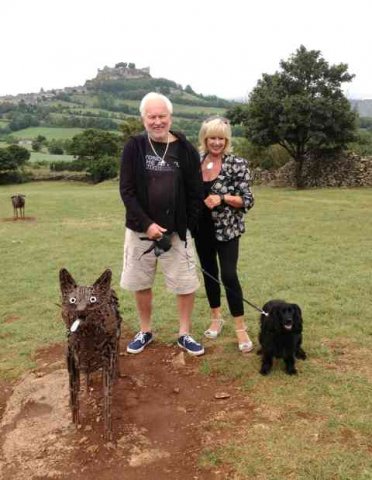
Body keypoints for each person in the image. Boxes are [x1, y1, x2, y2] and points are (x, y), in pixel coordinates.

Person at [119, 92, 205, 356]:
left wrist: (185, 225)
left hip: (176, 232)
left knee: (185, 283)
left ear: (170, 117)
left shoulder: (185, 149)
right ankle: (145, 330)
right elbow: (127, 190)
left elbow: (195, 191)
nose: (157, 121)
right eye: (151, 117)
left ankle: (184, 333)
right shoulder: (134, 147)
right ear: (143, 119)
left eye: (162, 116)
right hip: (140, 231)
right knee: (141, 282)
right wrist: (147, 225)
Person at [194, 116, 255, 353]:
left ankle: (240, 327)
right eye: (212, 138)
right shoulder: (196, 161)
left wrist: (223, 198)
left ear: (226, 140)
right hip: (201, 229)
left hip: (228, 230)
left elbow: (248, 200)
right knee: (210, 274)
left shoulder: (237, 164)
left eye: (221, 138)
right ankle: (216, 318)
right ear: (205, 139)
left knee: (229, 275)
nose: (216, 143)